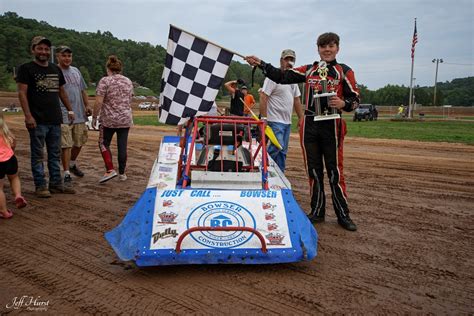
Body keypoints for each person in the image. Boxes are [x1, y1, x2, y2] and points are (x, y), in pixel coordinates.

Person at [245, 32, 360, 231]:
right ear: (318, 49)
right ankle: (317, 210)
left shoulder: (345, 71)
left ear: (337, 48)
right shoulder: (308, 70)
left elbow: (355, 99)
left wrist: (344, 103)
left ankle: (343, 214)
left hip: (332, 124)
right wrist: (261, 64)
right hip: (309, 123)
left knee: (335, 171)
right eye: (323, 46)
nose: (327, 50)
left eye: (331, 46)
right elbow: (282, 76)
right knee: (313, 170)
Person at [16, 36, 76, 197]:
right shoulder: (26, 69)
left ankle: (56, 184)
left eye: (46, 49)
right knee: (37, 154)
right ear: (33, 50)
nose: (43, 52)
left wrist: (70, 110)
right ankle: (40, 186)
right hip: (37, 120)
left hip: (55, 119)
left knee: (55, 153)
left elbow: (61, 91)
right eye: (40, 48)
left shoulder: (55, 69)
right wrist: (28, 116)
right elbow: (22, 93)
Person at [259, 49, 304, 172]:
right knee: (277, 146)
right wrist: (264, 118)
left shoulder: (293, 79)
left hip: (287, 122)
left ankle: (280, 174)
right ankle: (262, 167)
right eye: (287, 59)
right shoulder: (272, 77)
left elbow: (297, 100)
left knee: (283, 151)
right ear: (281, 60)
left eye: (292, 60)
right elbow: (263, 96)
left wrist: (301, 118)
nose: (289, 62)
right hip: (274, 120)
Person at [92, 55, 133, 183]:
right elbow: (130, 99)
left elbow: (98, 101)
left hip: (109, 119)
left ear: (107, 68)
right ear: (120, 68)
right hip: (125, 118)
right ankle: (122, 173)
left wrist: (94, 117)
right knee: (122, 146)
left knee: (103, 143)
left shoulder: (105, 81)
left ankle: (110, 169)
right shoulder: (128, 81)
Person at [56, 45, 91, 192]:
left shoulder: (76, 71)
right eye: (64, 55)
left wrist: (87, 105)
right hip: (62, 113)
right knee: (66, 145)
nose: (67, 58)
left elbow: (83, 89)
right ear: (58, 56)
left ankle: (71, 163)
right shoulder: (54, 71)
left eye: (69, 56)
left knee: (79, 141)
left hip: (79, 113)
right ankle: (66, 174)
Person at [0, 113, 27, 219]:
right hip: (11, 158)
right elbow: (13, 143)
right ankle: (18, 195)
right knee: (14, 178)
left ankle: (3, 211)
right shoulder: (5, 130)